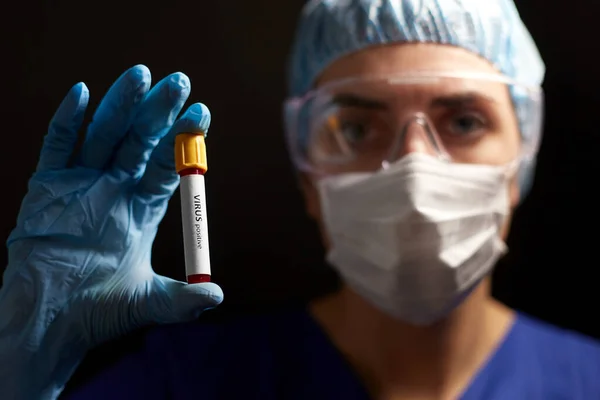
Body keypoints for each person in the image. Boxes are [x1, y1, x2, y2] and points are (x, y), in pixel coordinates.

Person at [2, 0, 600, 399]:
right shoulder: (182, 384)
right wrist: (21, 376)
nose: (416, 170)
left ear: (522, 160)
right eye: (359, 128)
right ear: (307, 178)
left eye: (465, 121)